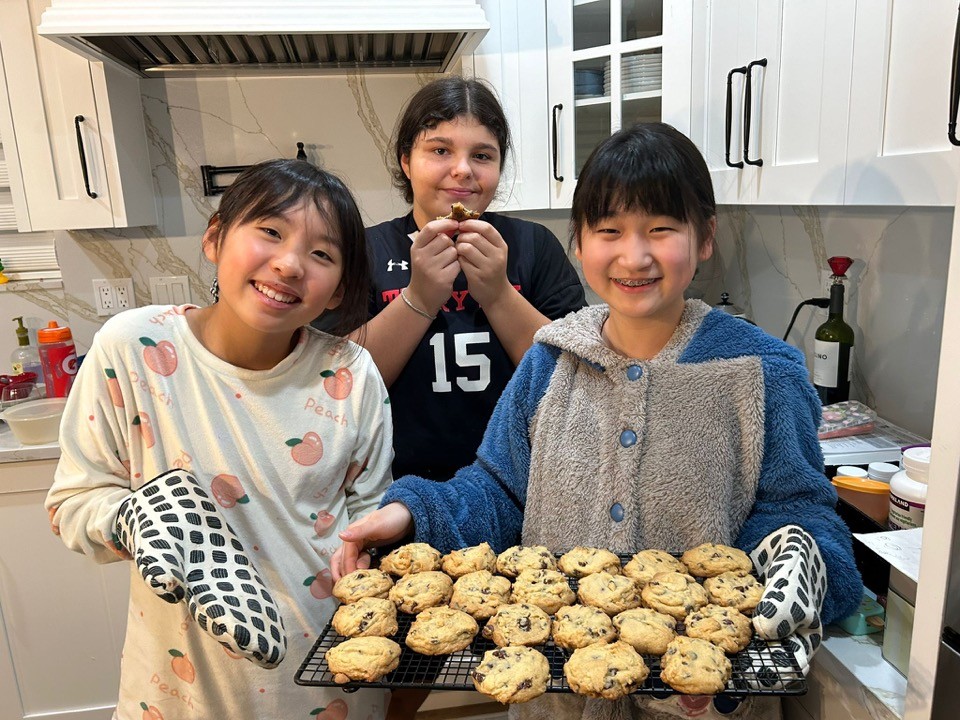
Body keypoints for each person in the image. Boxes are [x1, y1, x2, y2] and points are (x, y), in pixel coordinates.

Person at [332, 124, 862, 720]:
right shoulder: (550, 361)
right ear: (579, 244)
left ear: (705, 237)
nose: (634, 257)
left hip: (703, 705)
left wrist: (801, 560)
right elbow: (498, 490)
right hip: (556, 701)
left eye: (661, 229)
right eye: (609, 231)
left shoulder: (763, 374)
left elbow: (800, 511)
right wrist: (412, 512)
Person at [46, 159, 394, 720]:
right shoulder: (132, 347)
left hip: (326, 677)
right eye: (271, 231)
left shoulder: (351, 374)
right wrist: (133, 518)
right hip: (180, 687)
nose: (289, 264)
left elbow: (369, 514)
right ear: (214, 238)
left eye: (322, 254)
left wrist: (372, 555)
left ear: (338, 291)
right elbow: (73, 503)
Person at [318, 75, 585, 482]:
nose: (462, 170)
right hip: (399, 486)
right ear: (406, 161)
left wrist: (498, 295)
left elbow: (576, 386)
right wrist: (419, 300)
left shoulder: (534, 246)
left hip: (522, 485)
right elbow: (334, 389)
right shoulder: (365, 252)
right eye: (440, 150)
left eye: (482, 155)